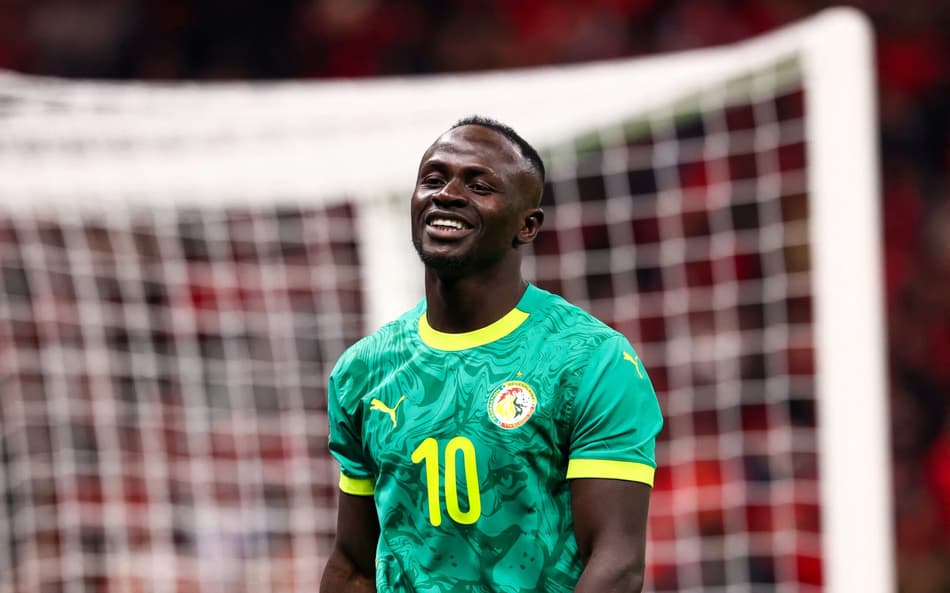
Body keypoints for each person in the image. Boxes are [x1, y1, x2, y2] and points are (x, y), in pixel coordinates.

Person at [320, 115, 663, 593]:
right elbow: (353, 564)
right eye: (433, 180)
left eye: (479, 185)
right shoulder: (363, 370)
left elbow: (616, 563)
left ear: (527, 226)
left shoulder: (592, 360)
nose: (448, 194)